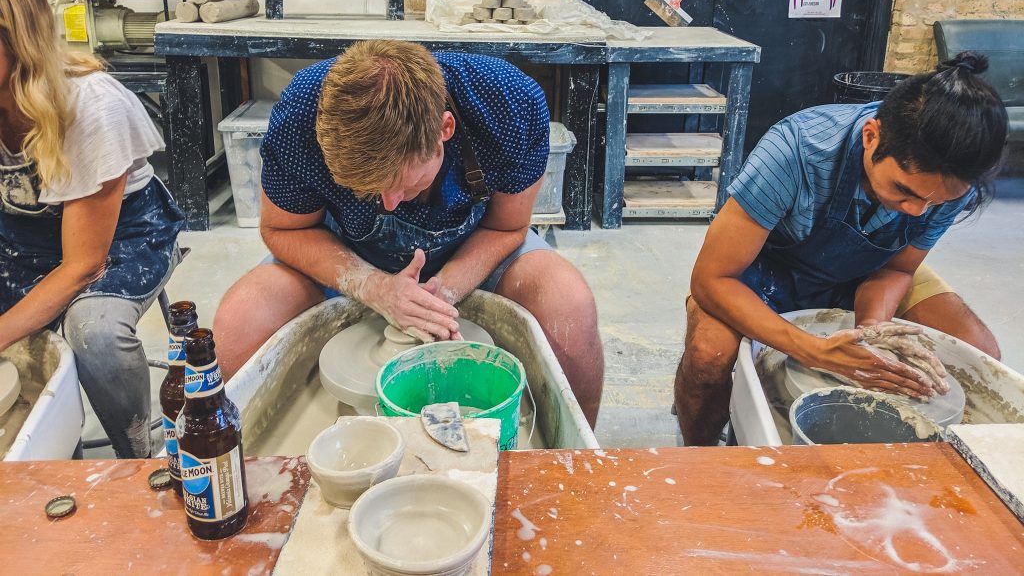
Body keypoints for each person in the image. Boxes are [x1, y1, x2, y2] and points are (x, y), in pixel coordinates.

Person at [213, 40, 604, 426]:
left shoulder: (508, 103)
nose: (388, 204)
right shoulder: (302, 113)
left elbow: (508, 226)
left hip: (476, 243)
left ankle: (575, 467)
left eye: (403, 185)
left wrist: (438, 296)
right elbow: (284, 229)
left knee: (568, 303)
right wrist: (372, 286)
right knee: (239, 322)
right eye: (368, 190)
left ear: (444, 130)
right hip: (344, 248)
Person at [675, 52, 1008, 445]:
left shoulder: (949, 182)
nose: (918, 210)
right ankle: (700, 455)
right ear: (872, 137)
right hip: (768, 264)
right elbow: (712, 279)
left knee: (982, 355)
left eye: (935, 203)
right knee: (709, 353)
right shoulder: (796, 150)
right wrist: (813, 351)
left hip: (872, 268)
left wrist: (871, 329)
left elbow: (898, 270)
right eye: (903, 191)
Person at [0, 0, 185, 457]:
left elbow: (82, 264)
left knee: (95, 333)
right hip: (22, 238)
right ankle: (48, 458)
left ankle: (137, 456)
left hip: (121, 240)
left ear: (16, 40)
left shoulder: (90, 105)